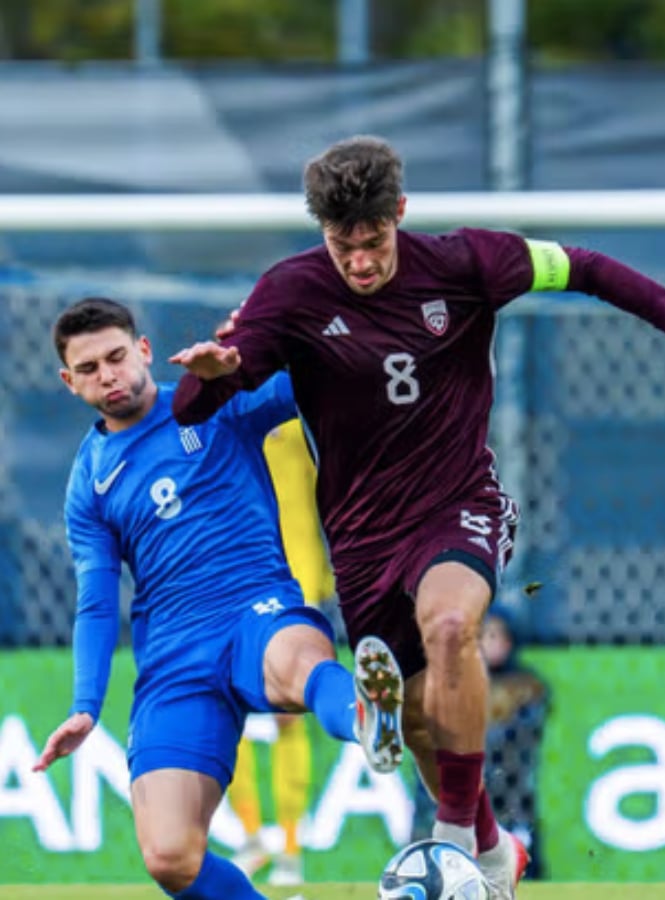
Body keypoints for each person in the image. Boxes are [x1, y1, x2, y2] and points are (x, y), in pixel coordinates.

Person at [168, 134, 665, 900]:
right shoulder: (290, 292)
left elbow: (587, 267)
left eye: (374, 243)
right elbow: (193, 404)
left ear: (400, 215)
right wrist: (215, 378)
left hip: (459, 506)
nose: (361, 263)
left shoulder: (470, 262)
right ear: (324, 235)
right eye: (344, 247)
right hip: (360, 540)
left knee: (451, 627)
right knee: (418, 720)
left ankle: (450, 845)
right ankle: (490, 846)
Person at [34, 297, 403, 900]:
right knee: (169, 857)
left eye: (118, 357)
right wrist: (84, 705)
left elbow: (317, 378)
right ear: (69, 382)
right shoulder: (89, 483)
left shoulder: (213, 399)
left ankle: (365, 713)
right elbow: (97, 602)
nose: (109, 374)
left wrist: (258, 347)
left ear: (145, 351)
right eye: (91, 367)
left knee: (299, 664)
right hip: (176, 658)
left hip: (255, 609)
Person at [228, 420, 337, 887]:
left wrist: (324, 581)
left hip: (296, 572)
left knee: (288, 713)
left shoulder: (297, 404)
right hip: (233, 574)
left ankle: (291, 849)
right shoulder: (213, 406)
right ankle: (251, 837)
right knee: (230, 707)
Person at [411, 607, 550, 877]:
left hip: (509, 786)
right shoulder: (450, 684)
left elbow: (525, 731)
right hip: (457, 782)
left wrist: (475, 743)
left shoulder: (527, 686)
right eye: (484, 635)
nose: (492, 643)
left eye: (498, 635)